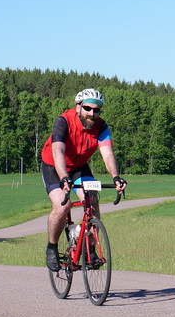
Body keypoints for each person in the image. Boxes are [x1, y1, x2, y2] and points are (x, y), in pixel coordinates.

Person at [40, 89, 127, 271]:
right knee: (63, 205)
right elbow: (58, 151)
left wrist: (116, 177)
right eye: (87, 108)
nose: (92, 113)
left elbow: (107, 154)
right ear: (78, 106)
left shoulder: (101, 127)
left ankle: (90, 249)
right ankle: (52, 247)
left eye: (96, 110)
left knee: (92, 199)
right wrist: (64, 177)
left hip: (79, 167)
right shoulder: (63, 121)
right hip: (54, 166)